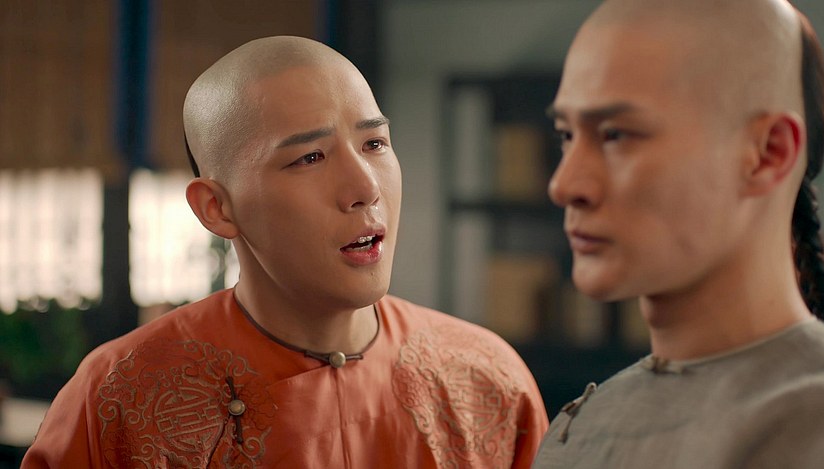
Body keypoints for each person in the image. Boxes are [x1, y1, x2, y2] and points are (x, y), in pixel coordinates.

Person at [23, 36, 548, 468]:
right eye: (310, 157)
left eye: (375, 144)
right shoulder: (120, 398)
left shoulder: (486, 378)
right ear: (216, 208)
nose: (365, 188)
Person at [533, 0, 824, 467]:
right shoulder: (582, 425)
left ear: (767, 153)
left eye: (615, 135)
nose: (564, 185)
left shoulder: (817, 421)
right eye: (567, 135)